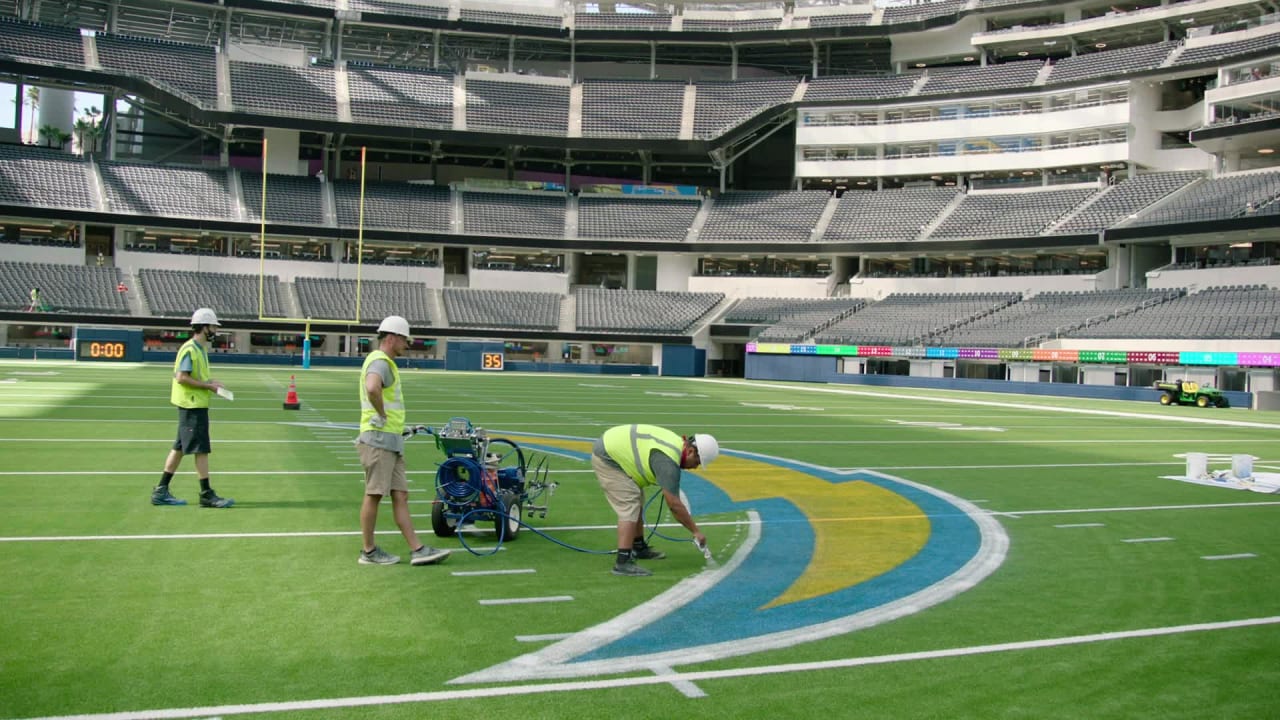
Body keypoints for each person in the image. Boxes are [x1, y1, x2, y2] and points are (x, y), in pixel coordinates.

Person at [357, 315, 450, 567]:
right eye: (403, 340)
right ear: (390, 338)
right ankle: (368, 551)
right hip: (378, 439)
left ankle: (418, 549)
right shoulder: (380, 361)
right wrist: (382, 414)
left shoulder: (384, 362)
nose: (406, 344)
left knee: (401, 495)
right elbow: (373, 388)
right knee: (374, 494)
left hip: (390, 440)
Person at [591, 424, 719, 576]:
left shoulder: (676, 445)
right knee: (629, 505)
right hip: (608, 457)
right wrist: (695, 531)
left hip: (611, 446)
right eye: (697, 462)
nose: (695, 467)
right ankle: (622, 562)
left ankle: (638, 548)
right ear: (690, 451)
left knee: (636, 498)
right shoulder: (668, 462)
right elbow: (674, 505)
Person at [151, 308, 234, 508]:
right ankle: (206, 494)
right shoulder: (191, 349)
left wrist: (210, 381)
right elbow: (182, 377)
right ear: (204, 327)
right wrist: (208, 386)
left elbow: (191, 375)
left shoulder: (199, 349)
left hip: (192, 404)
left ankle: (161, 490)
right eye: (213, 326)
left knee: (179, 448)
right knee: (201, 449)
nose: (215, 329)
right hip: (192, 405)